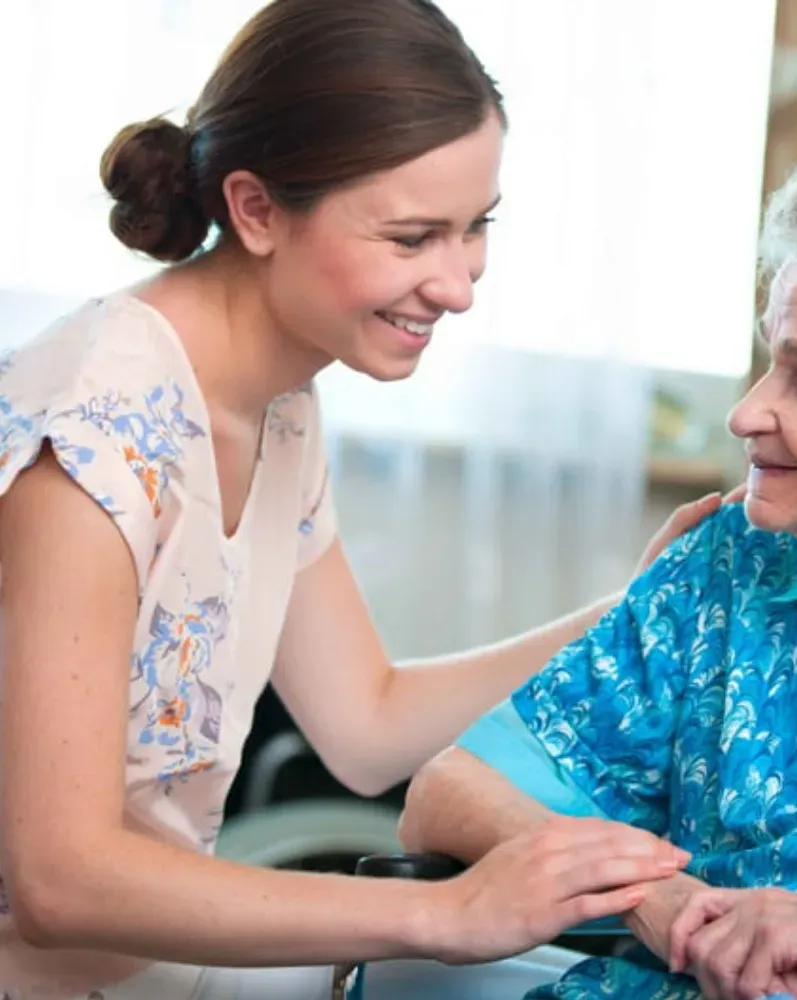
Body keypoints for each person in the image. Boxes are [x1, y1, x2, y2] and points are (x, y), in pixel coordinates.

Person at [0, 1, 723, 998]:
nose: (459, 283)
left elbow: (365, 721)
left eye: (477, 229)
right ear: (255, 209)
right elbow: (60, 879)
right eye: (412, 236)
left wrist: (634, 613)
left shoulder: (277, 402)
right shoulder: (90, 432)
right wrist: (446, 913)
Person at [400, 137, 797, 1000]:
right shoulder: (729, 565)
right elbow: (449, 795)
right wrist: (663, 902)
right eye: (770, 360)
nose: (746, 412)